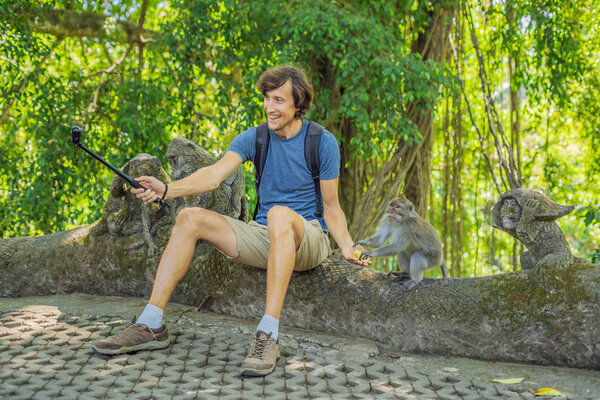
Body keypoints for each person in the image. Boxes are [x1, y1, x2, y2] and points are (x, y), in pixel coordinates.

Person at [92, 65, 371, 376]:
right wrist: (166, 190)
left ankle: (268, 334)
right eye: (266, 98)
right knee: (188, 218)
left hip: (307, 238)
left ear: (298, 104)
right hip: (263, 233)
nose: (269, 107)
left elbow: (332, 207)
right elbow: (212, 175)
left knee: (280, 214)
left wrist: (346, 245)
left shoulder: (322, 141)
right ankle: (151, 323)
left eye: (278, 100)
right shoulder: (256, 138)